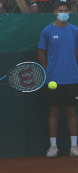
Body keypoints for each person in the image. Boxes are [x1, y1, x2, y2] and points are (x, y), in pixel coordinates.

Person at [37, 0, 78, 158]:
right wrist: (49, 71)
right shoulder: (47, 31)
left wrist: (71, 66)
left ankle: (74, 147)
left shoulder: (75, 31)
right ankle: (53, 147)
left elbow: (76, 52)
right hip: (54, 79)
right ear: (55, 12)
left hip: (72, 78)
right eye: (60, 10)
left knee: (72, 111)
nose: (63, 13)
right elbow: (41, 53)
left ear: (69, 12)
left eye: (66, 10)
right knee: (54, 111)